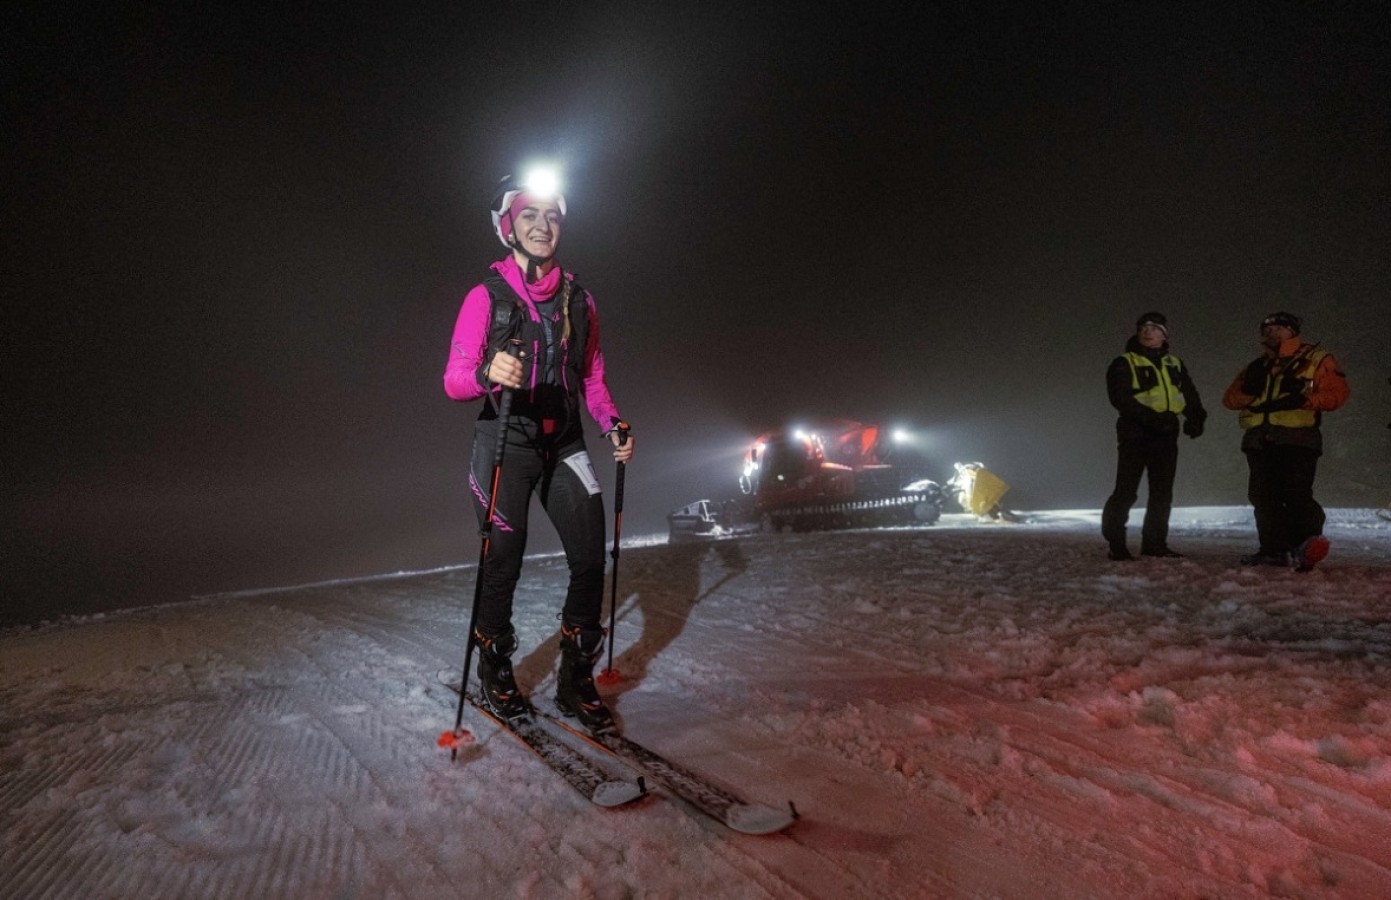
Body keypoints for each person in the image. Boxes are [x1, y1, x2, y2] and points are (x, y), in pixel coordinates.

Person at [443, 169, 634, 730]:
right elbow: (454, 379)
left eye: (551, 215)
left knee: (590, 558)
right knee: (503, 560)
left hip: (564, 441)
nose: (542, 224)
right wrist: (487, 373)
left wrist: (612, 423)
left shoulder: (580, 301)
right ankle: (495, 665)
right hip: (506, 443)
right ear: (508, 226)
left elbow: (591, 378)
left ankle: (575, 680)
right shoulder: (486, 297)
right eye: (529, 214)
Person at [1221, 312, 1349, 571]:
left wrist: (1304, 397)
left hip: (1298, 438)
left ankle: (1308, 543)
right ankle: (1274, 550)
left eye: (1280, 328)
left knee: (1295, 492)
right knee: (1262, 496)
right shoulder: (1258, 366)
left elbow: (1338, 394)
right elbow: (1230, 400)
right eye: (1267, 329)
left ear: (1293, 331)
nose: (1272, 333)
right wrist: (1249, 391)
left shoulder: (1316, 359)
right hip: (1259, 440)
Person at [1101, 312, 1206, 560]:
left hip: (1166, 434)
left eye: (1155, 328)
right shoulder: (1124, 362)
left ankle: (1155, 543)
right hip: (1135, 433)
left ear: (1164, 335)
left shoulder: (1174, 363)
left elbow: (1189, 393)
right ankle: (1116, 543)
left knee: (1162, 491)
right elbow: (1120, 398)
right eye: (1143, 328)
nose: (1148, 332)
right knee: (1126, 489)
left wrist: (1196, 418)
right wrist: (1152, 418)